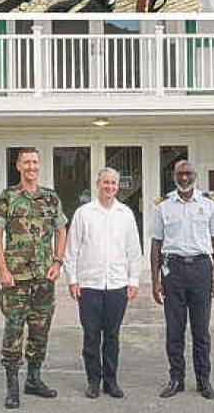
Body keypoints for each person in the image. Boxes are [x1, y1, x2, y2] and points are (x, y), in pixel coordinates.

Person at [0, 147, 67, 409]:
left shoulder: (50, 197)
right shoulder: (8, 197)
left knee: (40, 329)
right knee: (13, 330)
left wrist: (58, 262)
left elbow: (61, 229)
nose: (32, 167)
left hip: (44, 277)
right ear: (18, 166)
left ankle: (33, 379)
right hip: (16, 277)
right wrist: (2, 269)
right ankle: (12, 386)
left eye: (35, 162)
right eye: (27, 162)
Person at [63, 168, 143, 399]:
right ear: (97, 185)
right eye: (105, 182)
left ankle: (111, 381)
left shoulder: (125, 213)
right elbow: (72, 249)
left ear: (118, 186)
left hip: (117, 285)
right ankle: (93, 381)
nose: (109, 186)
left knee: (112, 336)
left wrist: (134, 280)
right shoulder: (83, 213)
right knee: (90, 337)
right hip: (89, 285)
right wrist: (73, 280)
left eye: (113, 183)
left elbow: (133, 250)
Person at [151, 160, 214, 400]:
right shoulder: (162, 206)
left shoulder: (209, 204)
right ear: (173, 175)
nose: (184, 178)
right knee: (174, 330)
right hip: (173, 270)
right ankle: (176, 379)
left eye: (188, 174)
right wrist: (155, 279)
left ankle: (204, 380)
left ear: (195, 175)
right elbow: (156, 244)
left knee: (201, 331)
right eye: (180, 174)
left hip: (202, 269)